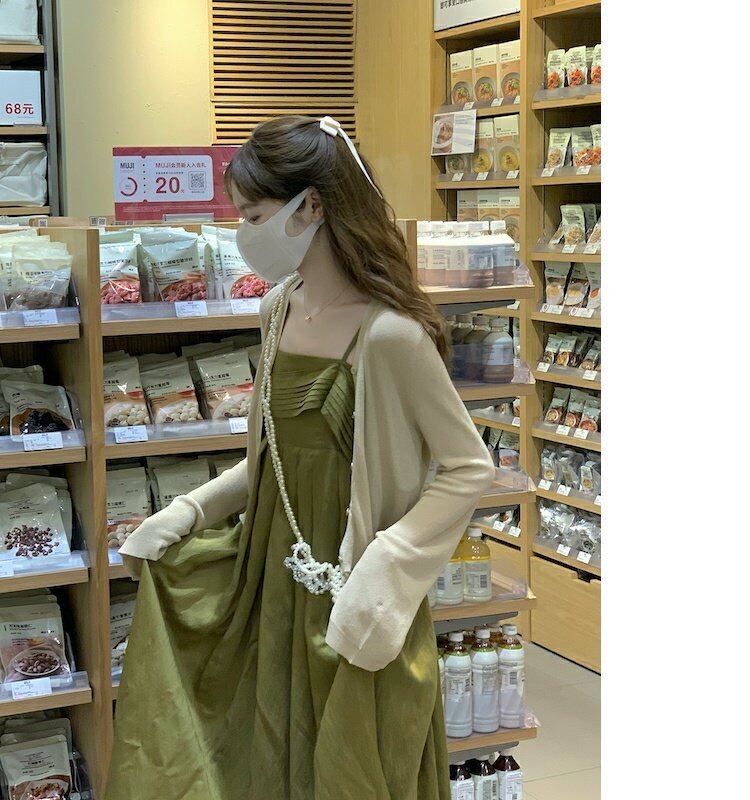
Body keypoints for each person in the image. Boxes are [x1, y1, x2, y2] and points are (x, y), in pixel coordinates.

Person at [106, 115, 496, 800]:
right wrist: (189, 510)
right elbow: (276, 459)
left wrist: (387, 568)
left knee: (345, 769)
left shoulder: (391, 336)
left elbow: (468, 466)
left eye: (253, 216)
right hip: (269, 578)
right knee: (260, 758)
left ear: (310, 206)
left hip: (349, 590)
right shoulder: (278, 310)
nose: (243, 233)